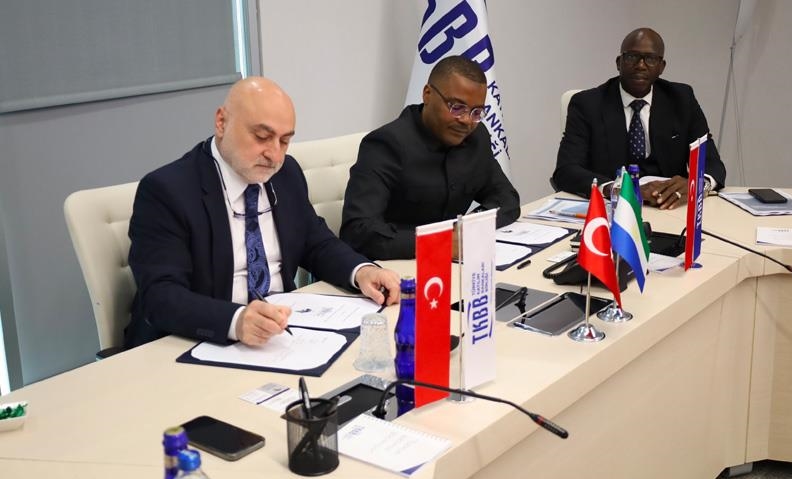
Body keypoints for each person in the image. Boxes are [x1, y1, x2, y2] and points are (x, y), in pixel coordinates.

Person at [126, 77, 400, 348]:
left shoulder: (286, 173)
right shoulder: (168, 190)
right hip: (200, 340)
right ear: (221, 122)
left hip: (283, 332)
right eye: (262, 137)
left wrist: (361, 271)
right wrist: (235, 321)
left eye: (285, 141)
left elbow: (315, 242)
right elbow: (161, 295)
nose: (275, 155)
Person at [340, 55, 520, 260]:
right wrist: (440, 243)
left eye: (476, 112)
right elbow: (357, 232)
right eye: (457, 107)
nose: (467, 121)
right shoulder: (386, 145)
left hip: (456, 265)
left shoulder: (476, 138)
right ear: (427, 94)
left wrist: (467, 227)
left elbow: (506, 199)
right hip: (398, 266)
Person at [553, 28, 726, 209]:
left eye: (650, 59)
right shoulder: (587, 104)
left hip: (669, 206)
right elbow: (566, 170)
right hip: (614, 208)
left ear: (661, 67)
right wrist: (621, 190)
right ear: (619, 62)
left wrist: (697, 185)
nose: (641, 65)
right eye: (632, 57)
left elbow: (711, 161)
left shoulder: (681, 99)